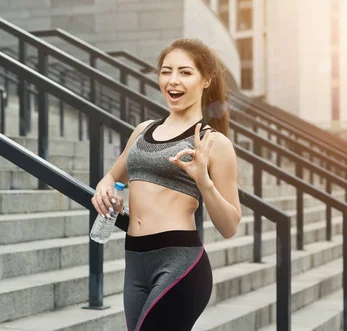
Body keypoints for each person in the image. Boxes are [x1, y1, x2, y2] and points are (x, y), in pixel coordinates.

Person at [91, 38, 242, 331]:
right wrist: (104, 188)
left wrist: (204, 182)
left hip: (180, 263)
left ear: (206, 79)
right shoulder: (142, 130)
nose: (173, 81)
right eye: (166, 71)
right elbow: (112, 176)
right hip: (135, 261)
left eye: (185, 72)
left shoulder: (214, 143)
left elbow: (230, 226)